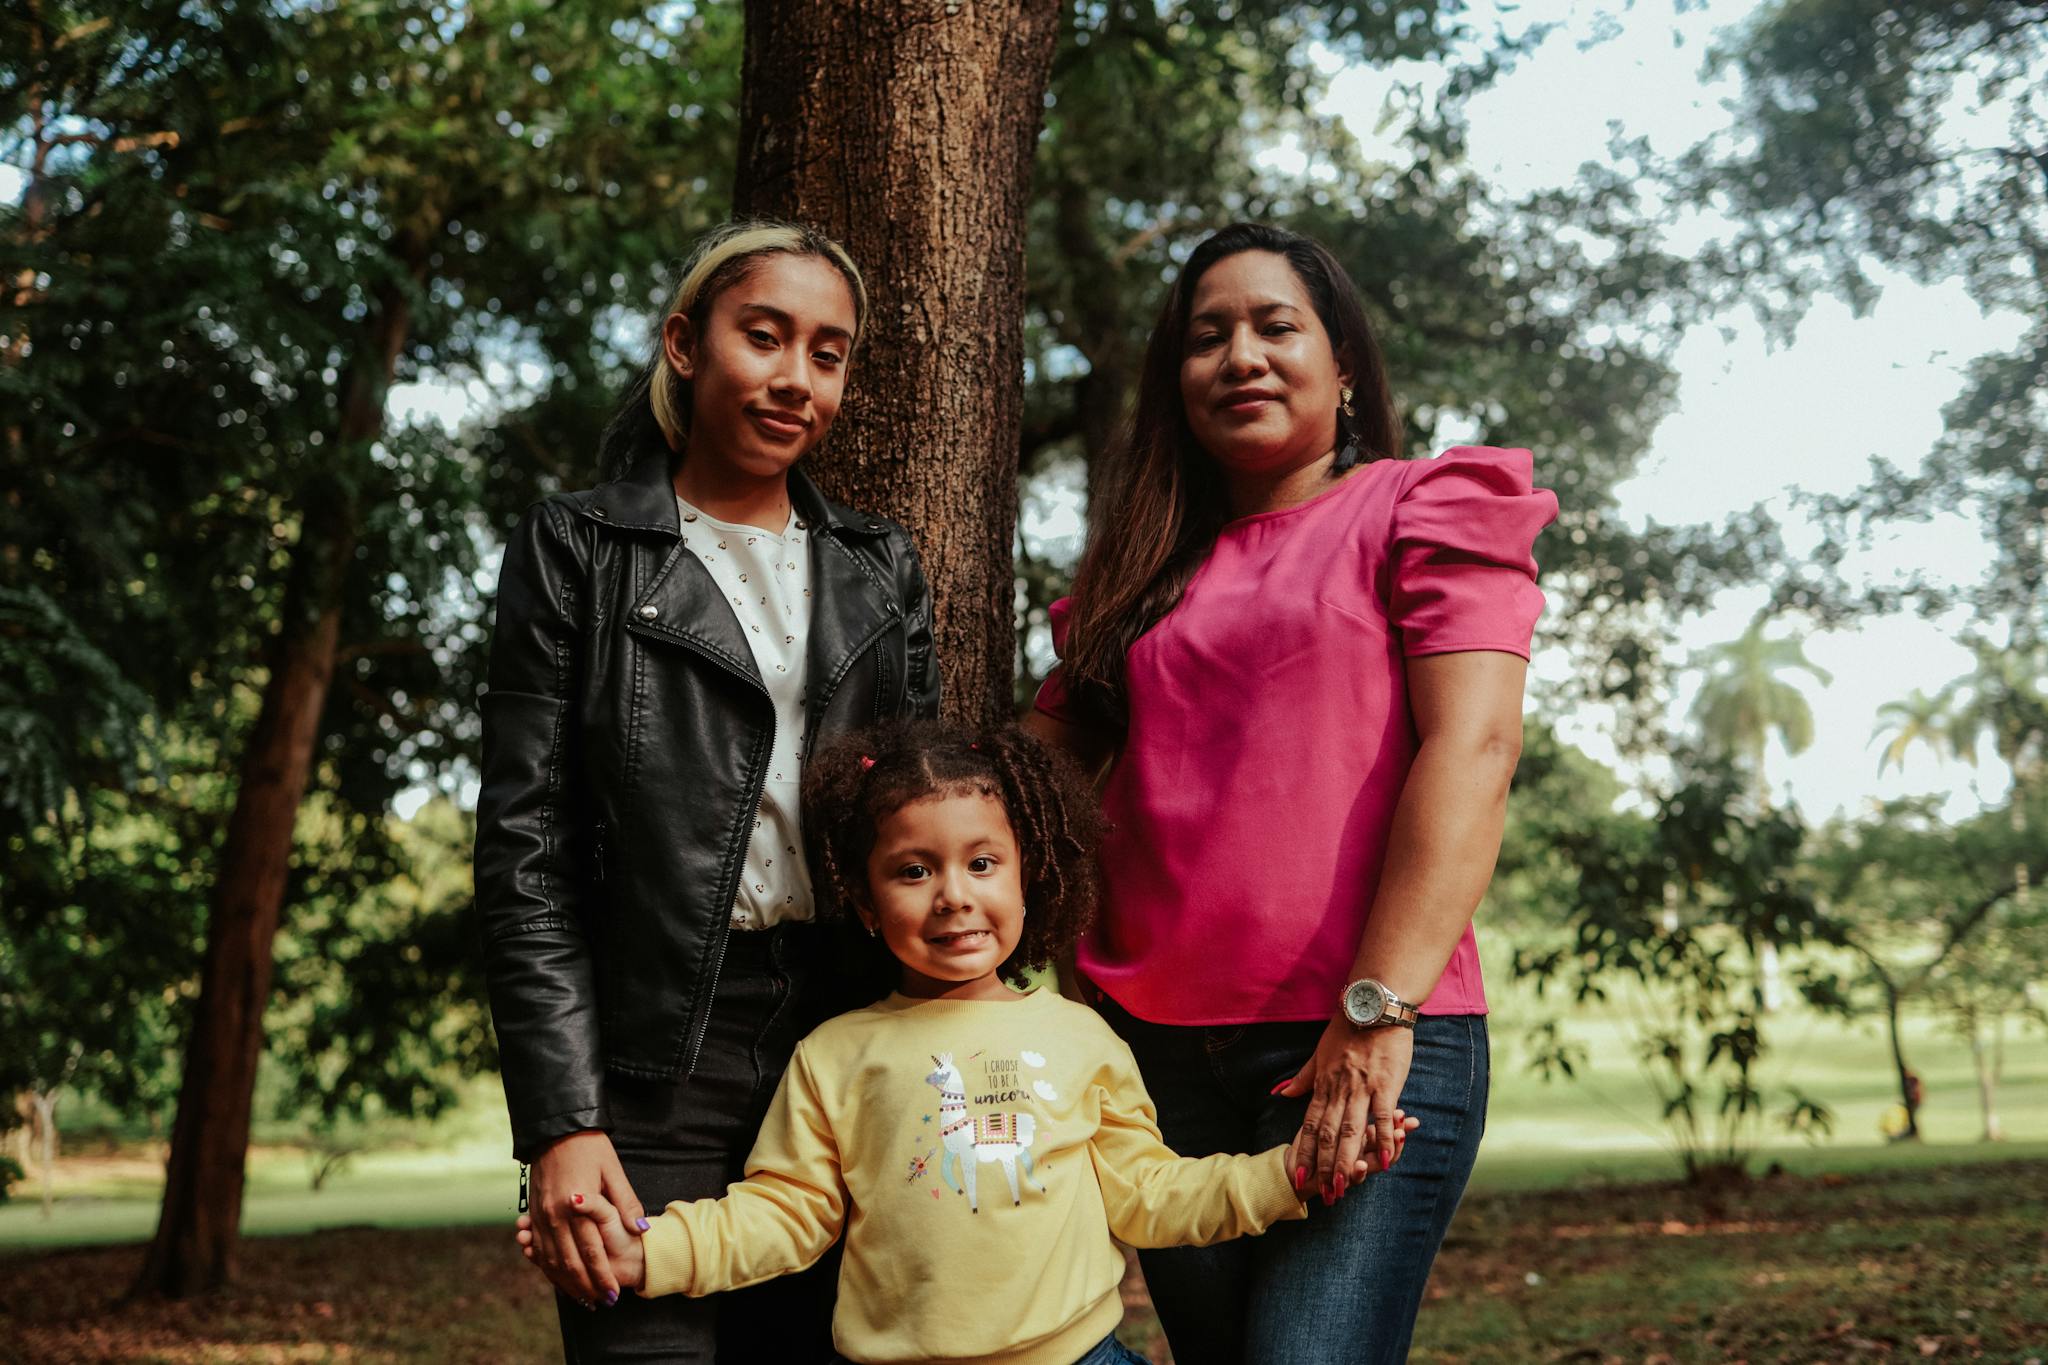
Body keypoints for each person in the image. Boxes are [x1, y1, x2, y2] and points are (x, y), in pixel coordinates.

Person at [1026, 221, 1558, 1364]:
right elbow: (1031, 778)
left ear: (1345, 366)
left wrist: (1375, 1013)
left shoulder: (1424, 506)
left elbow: (1471, 750)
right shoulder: (1139, 574)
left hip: (1356, 1033)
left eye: (1276, 326)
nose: (1241, 355)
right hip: (1151, 1061)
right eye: (1206, 335)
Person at [515, 722, 1416, 1365]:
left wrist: (1288, 1173)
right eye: (914, 870)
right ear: (867, 905)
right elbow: (784, 1214)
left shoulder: (1079, 1036)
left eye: (982, 863)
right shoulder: (835, 1056)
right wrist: (648, 1252)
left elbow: (1151, 1193)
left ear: (1029, 880)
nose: (953, 895)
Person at [476, 220, 941, 1364]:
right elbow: (523, 850)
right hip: (647, 1058)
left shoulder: (879, 569)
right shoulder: (576, 550)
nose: (795, 380)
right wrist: (562, 1119)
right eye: (764, 337)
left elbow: (927, 822)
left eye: (826, 354)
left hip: (844, 1046)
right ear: (686, 345)